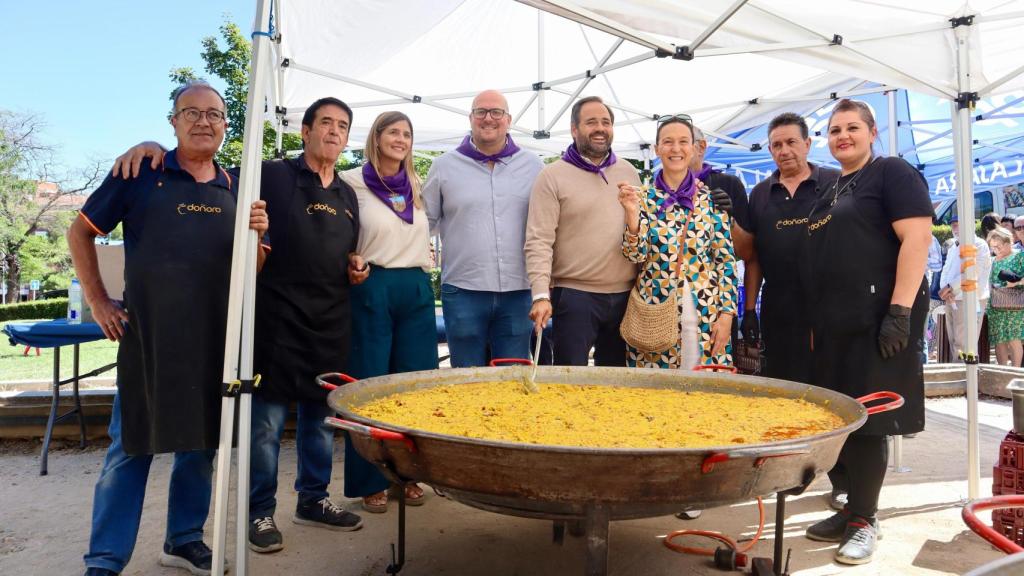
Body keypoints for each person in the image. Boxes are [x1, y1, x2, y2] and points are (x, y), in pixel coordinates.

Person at [108, 96, 368, 554]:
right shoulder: (270, 173)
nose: (332, 131)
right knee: (264, 426)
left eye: (341, 126)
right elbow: (204, 166)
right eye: (324, 122)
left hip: (329, 318)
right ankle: (259, 511)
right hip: (274, 318)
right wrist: (148, 146)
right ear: (304, 131)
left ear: (348, 138)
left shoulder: (346, 193)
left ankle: (313, 499)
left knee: (320, 422)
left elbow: (346, 248)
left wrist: (355, 266)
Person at [71, 81, 269, 576]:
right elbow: (81, 232)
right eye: (192, 113)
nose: (204, 121)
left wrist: (259, 242)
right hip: (151, 338)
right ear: (173, 122)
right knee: (130, 446)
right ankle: (105, 560)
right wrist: (97, 299)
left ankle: (183, 540)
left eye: (214, 114)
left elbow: (252, 272)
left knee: (201, 444)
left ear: (227, 124)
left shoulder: (238, 184)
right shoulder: (142, 171)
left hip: (215, 340)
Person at [802, 99, 932, 565]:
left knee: (872, 422)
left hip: (879, 320)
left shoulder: (892, 173)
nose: (843, 136)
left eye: (852, 128)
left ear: (872, 132)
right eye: (835, 129)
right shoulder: (832, 187)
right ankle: (851, 509)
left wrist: (899, 311)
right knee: (844, 421)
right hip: (836, 324)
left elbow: (918, 238)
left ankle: (865, 520)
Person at [341, 111, 437, 513]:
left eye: (407, 134)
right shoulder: (351, 181)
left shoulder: (417, 185)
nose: (401, 139)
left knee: (414, 385)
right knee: (368, 386)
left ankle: (409, 476)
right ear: (376, 137)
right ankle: (369, 481)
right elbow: (339, 235)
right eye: (393, 132)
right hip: (373, 285)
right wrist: (349, 257)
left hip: (415, 287)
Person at [422, 90, 543, 366]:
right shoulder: (443, 166)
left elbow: (546, 225)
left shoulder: (534, 166)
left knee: (512, 376)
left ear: (508, 119)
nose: (489, 118)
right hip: (463, 290)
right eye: (481, 112)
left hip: (518, 291)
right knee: (466, 376)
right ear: (471, 118)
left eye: (496, 112)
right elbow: (423, 223)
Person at [525, 96, 641, 366]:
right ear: (574, 129)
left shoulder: (629, 172)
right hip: (575, 297)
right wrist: (541, 294)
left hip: (626, 297)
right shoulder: (552, 176)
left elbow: (643, 231)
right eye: (591, 122)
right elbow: (539, 239)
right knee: (570, 381)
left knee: (618, 385)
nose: (600, 128)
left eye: (606, 122)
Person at [617, 115, 737, 369]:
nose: (676, 148)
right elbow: (635, 255)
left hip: (706, 312)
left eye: (684, 141)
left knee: (705, 391)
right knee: (655, 396)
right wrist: (631, 215)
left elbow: (725, 261)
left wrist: (726, 315)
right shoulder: (643, 197)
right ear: (657, 149)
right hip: (655, 312)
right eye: (668, 142)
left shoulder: (711, 199)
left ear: (694, 148)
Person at [746, 112, 839, 384]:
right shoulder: (761, 193)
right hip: (778, 308)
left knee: (827, 384)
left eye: (791, 142)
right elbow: (754, 258)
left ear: (807, 144)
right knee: (782, 386)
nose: (784, 151)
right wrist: (750, 311)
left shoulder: (835, 183)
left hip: (827, 305)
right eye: (777, 145)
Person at [938, 215, 991, 360]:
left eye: (958, 224)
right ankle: (958, 374)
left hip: (970, 299)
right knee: (954, 342)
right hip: (951, 298)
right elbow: (946, 270)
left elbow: (972, 272)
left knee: (965, 343)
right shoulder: (953, 246)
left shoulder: (979, 244)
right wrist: (944, 289)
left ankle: (966, 378)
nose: (955, 228)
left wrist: (949, 288)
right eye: (953, 225)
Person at [986, 227, 1024, 366]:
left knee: (1014, 340)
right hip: (995, 306)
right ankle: (1002, 374)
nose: (996, 249)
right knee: (999, 341)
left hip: (1015, 305)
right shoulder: (992, 260)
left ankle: (1016, 373)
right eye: (993, 247)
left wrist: (1015, 282)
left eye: (998, 246)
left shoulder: (1019, 255)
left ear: (1008, 242)